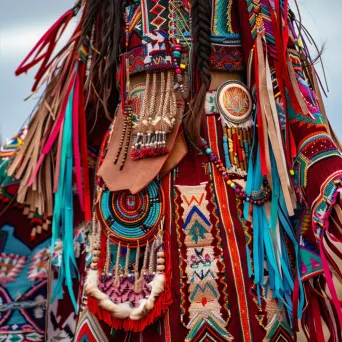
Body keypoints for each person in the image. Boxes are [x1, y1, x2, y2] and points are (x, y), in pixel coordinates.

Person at [1, 1, 342, 341]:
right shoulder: (110, 7)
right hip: (136, 210)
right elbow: (79, 118)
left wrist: (329, 181)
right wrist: (19, 170)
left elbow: (291, 98)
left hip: (240, 199)